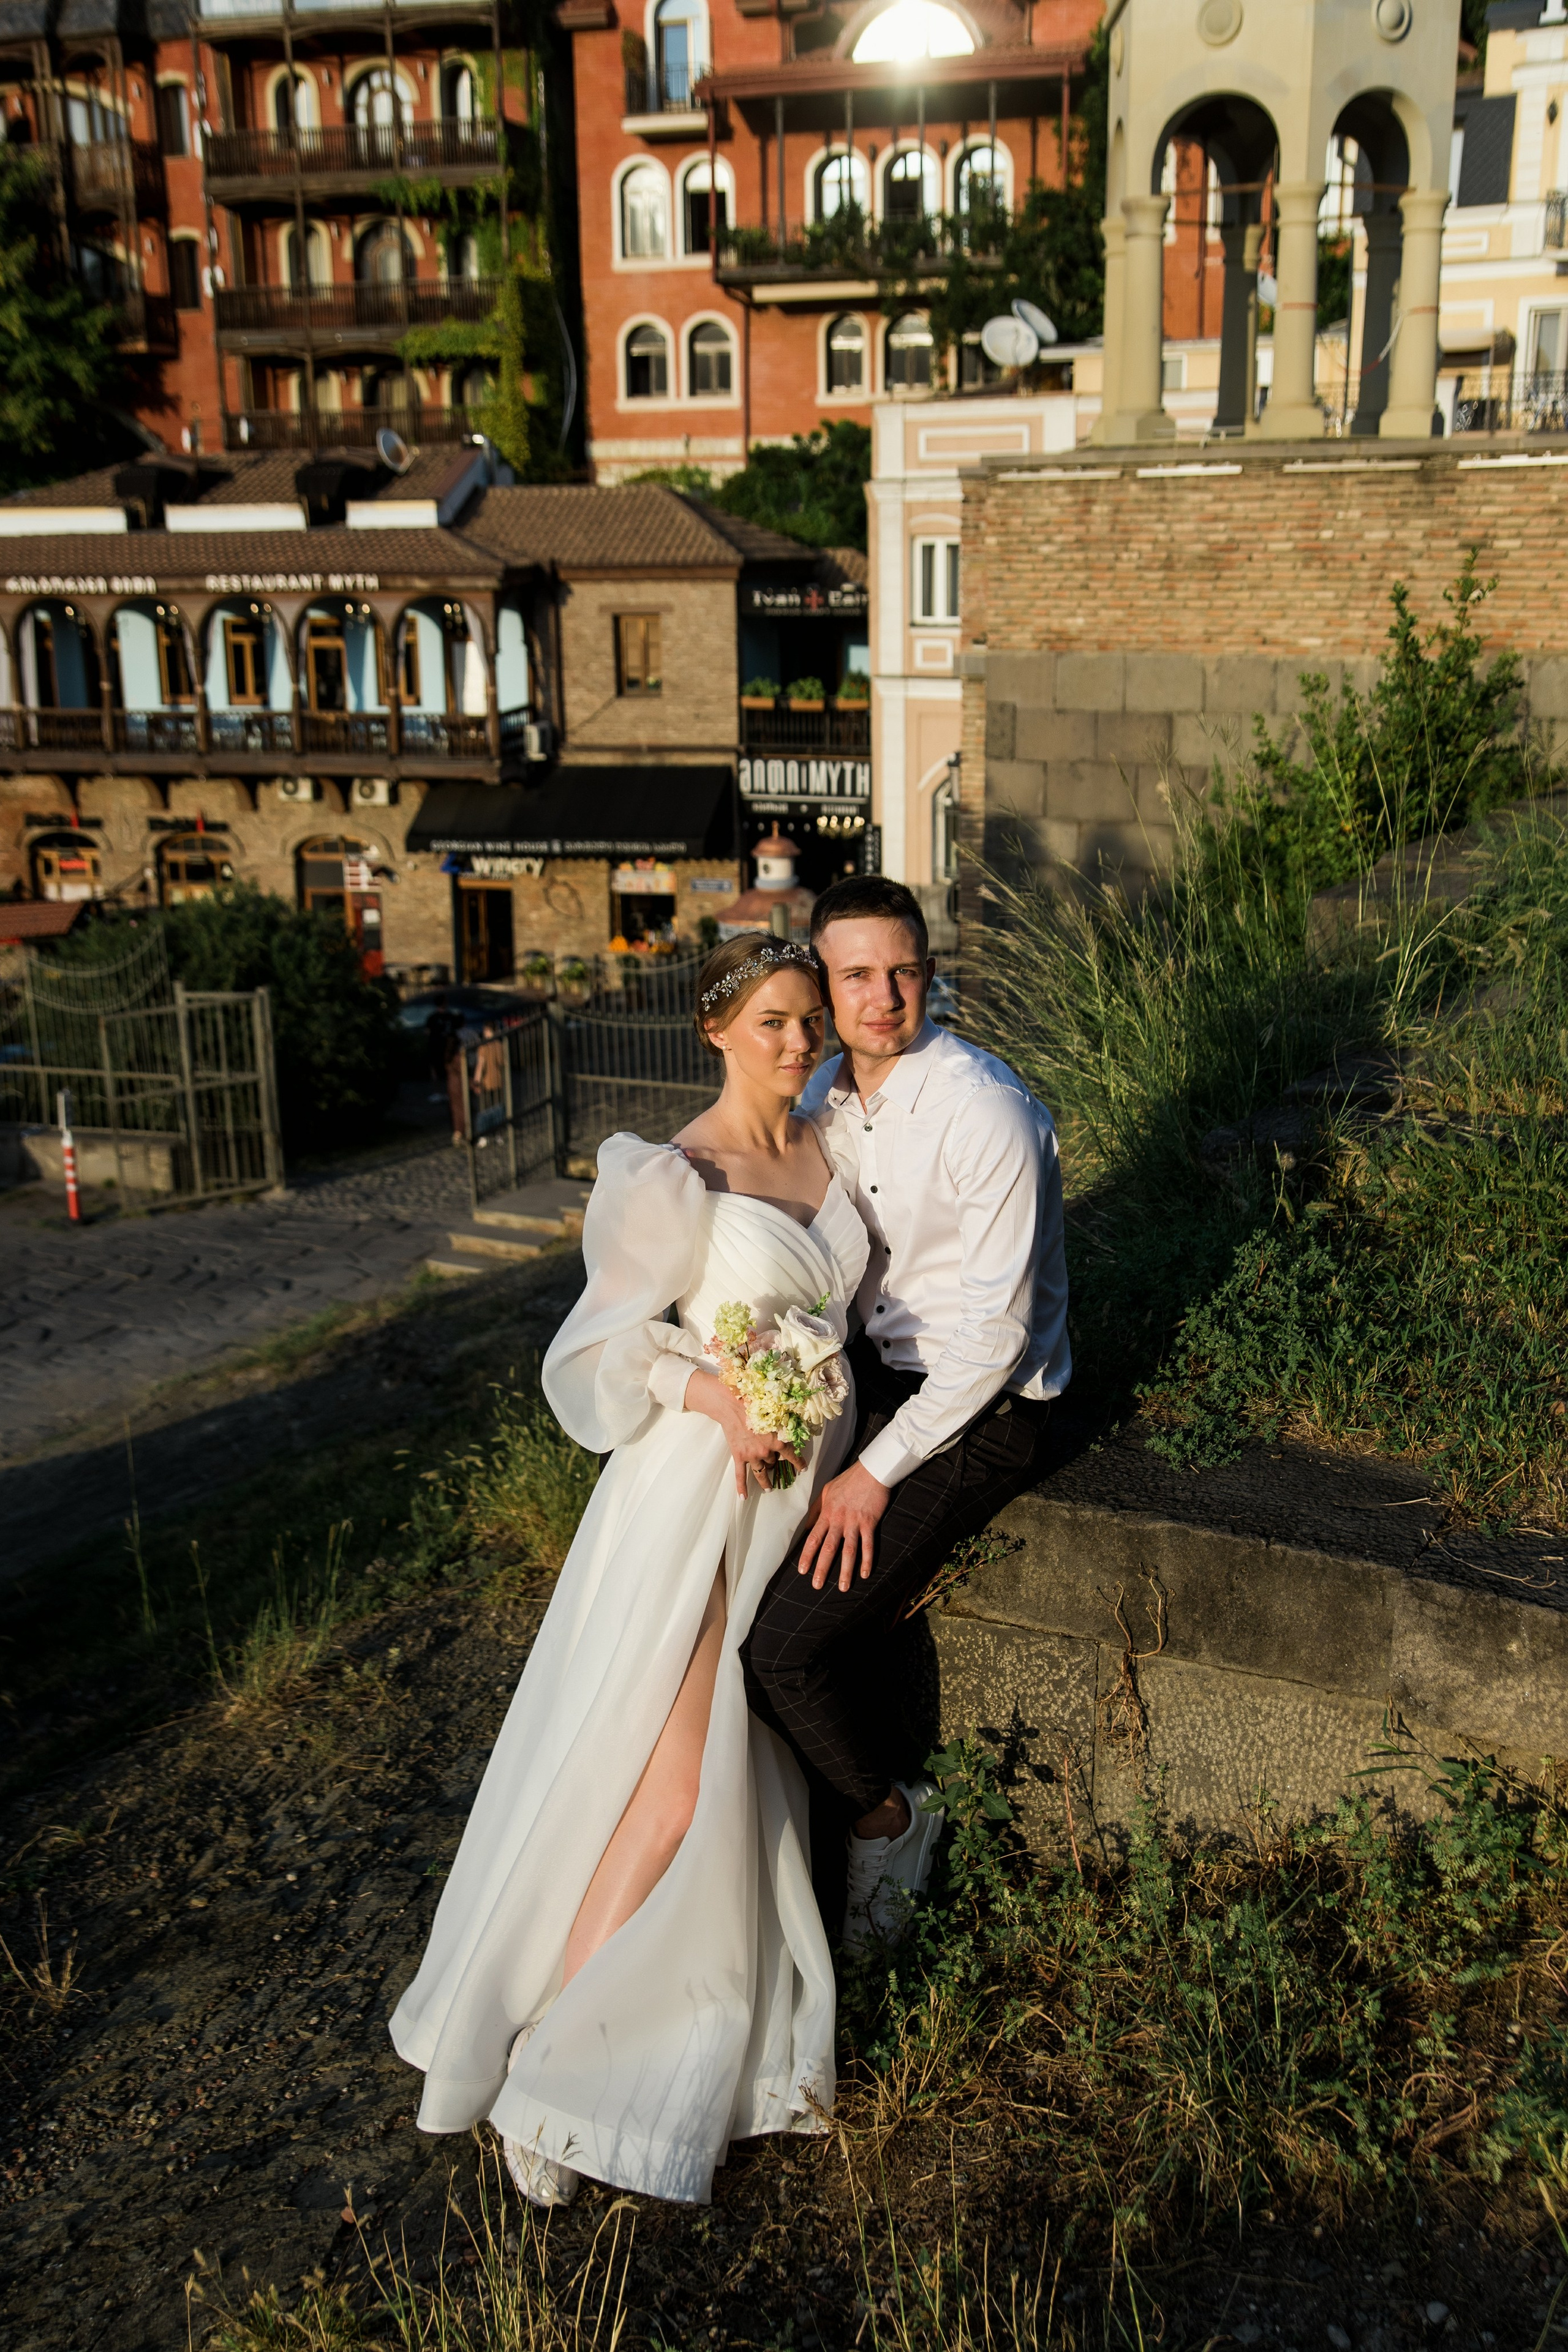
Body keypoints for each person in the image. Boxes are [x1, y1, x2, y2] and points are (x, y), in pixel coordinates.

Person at [390, 933, 870, 2207]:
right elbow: (595, 1353)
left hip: (799, 1504)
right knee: (665, 1791)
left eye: (806, 1019)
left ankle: (635, 2035)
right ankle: (543, 2069)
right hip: (695, 1509)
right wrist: (716, 1392)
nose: (796, 1040)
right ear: (714, 1032)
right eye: (771, 1021)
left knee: (727, 1778)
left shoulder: (837, 1149)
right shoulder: (673, 1177)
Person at [741, 876, 1070, 1950]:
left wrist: (874, 1471)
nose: (884, 996)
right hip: (872, 1376)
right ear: (824, 987)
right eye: (856, 976)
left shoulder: (983, 1108)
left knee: (779, 1648)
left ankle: (891, 1817)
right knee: (718, 1588)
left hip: (983, 1408)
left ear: (931, 971)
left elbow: (997, 1339)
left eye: (904, 971)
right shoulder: (828, 1092)